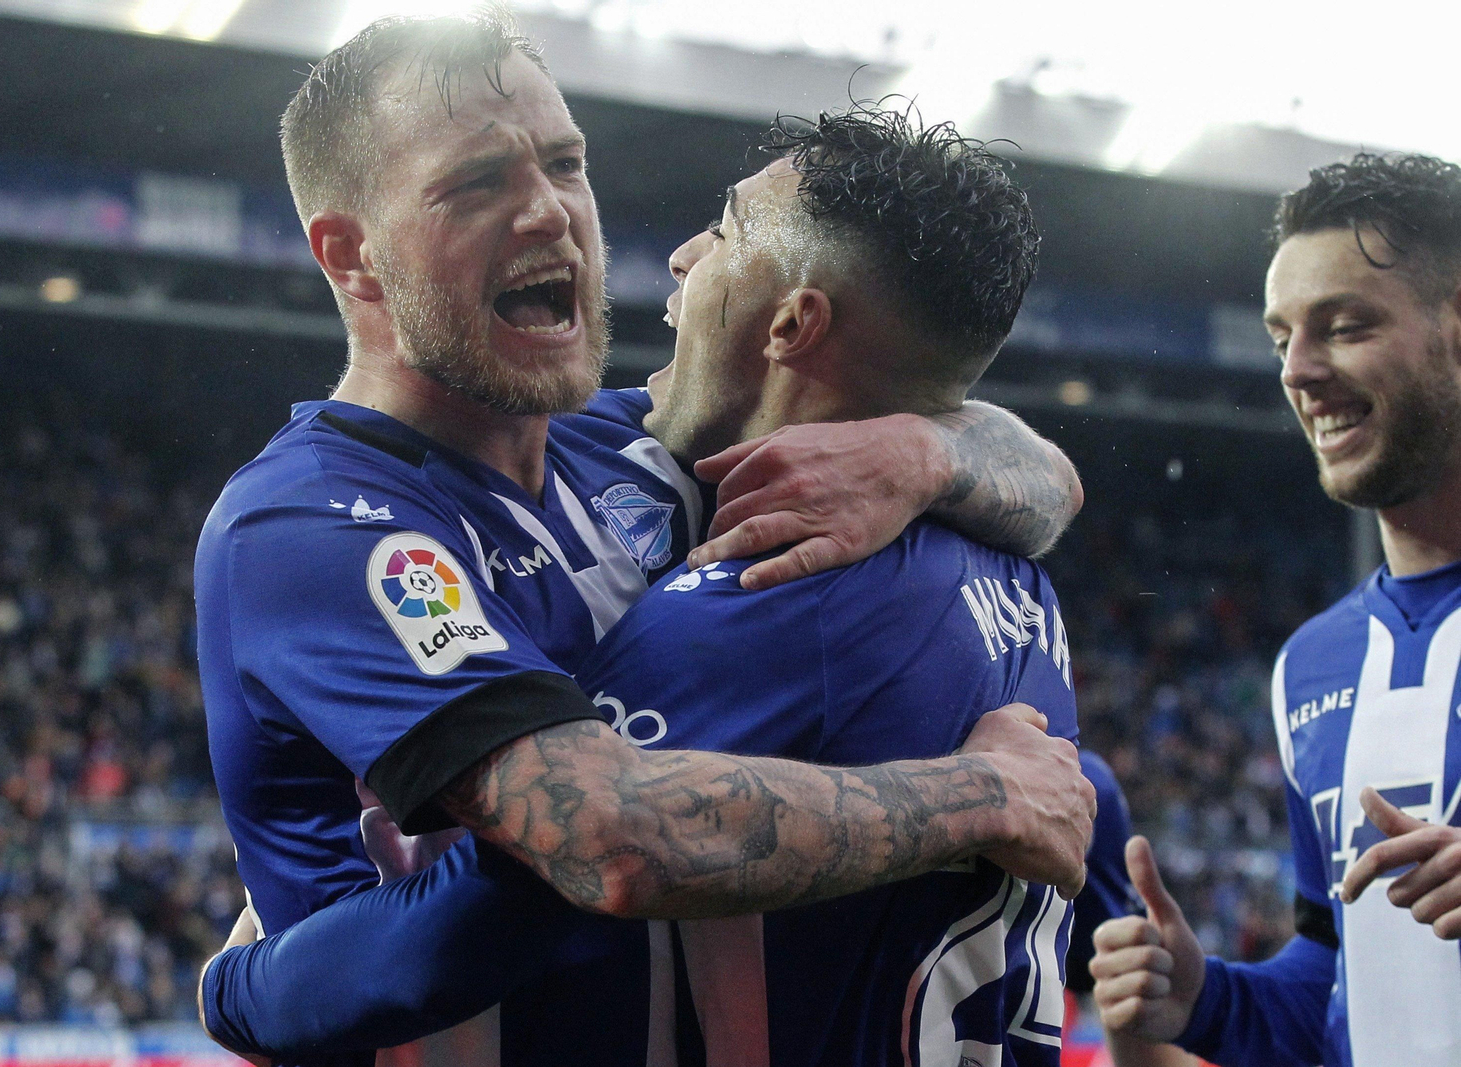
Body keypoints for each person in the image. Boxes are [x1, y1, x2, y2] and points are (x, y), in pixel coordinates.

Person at [196, 3, 1091, 982]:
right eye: (477, 182)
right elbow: (606, 842)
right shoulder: (309, 521)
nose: (550, 210)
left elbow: (1044, 473)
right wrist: (979, 795)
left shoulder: (644, 447)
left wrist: (923, 451)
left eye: (565, 164)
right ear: (350, 254)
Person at [1090, 152, 1461, 1067]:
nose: (1298, 370)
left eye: (1343, 326)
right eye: (1280, 336)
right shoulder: (1311, 665)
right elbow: (1334, 980)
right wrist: (1205, 997)